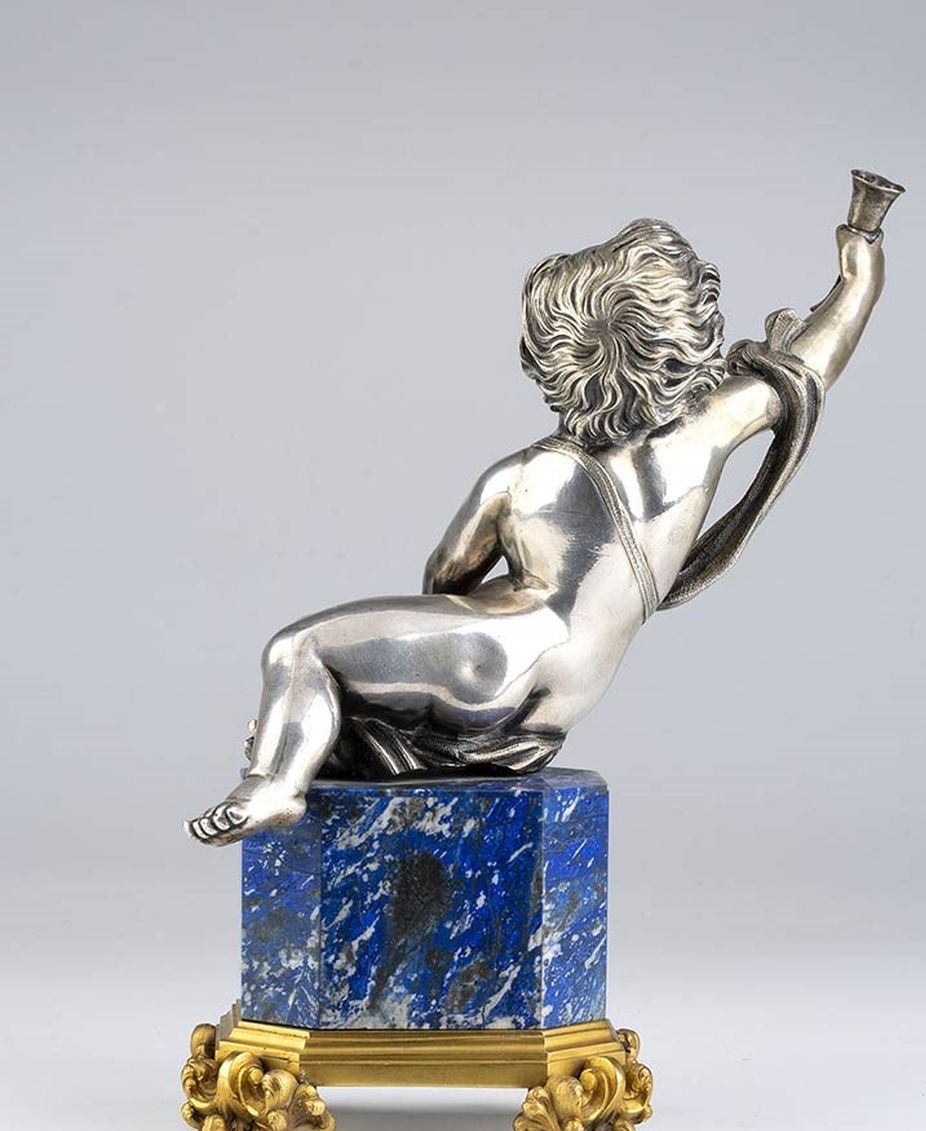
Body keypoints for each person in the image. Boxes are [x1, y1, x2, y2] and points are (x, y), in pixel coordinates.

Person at [186, 216, 885, 846]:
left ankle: (273, 786)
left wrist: (450, 654)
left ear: (551, 356)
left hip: (497, 656)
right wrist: (861, 265)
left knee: (303, 649)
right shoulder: (707, 434)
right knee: (355, 704)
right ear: (682, 339)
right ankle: (336, 741)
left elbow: (445, 582)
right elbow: (814, 360)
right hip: (571, 692)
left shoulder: (521, 477)